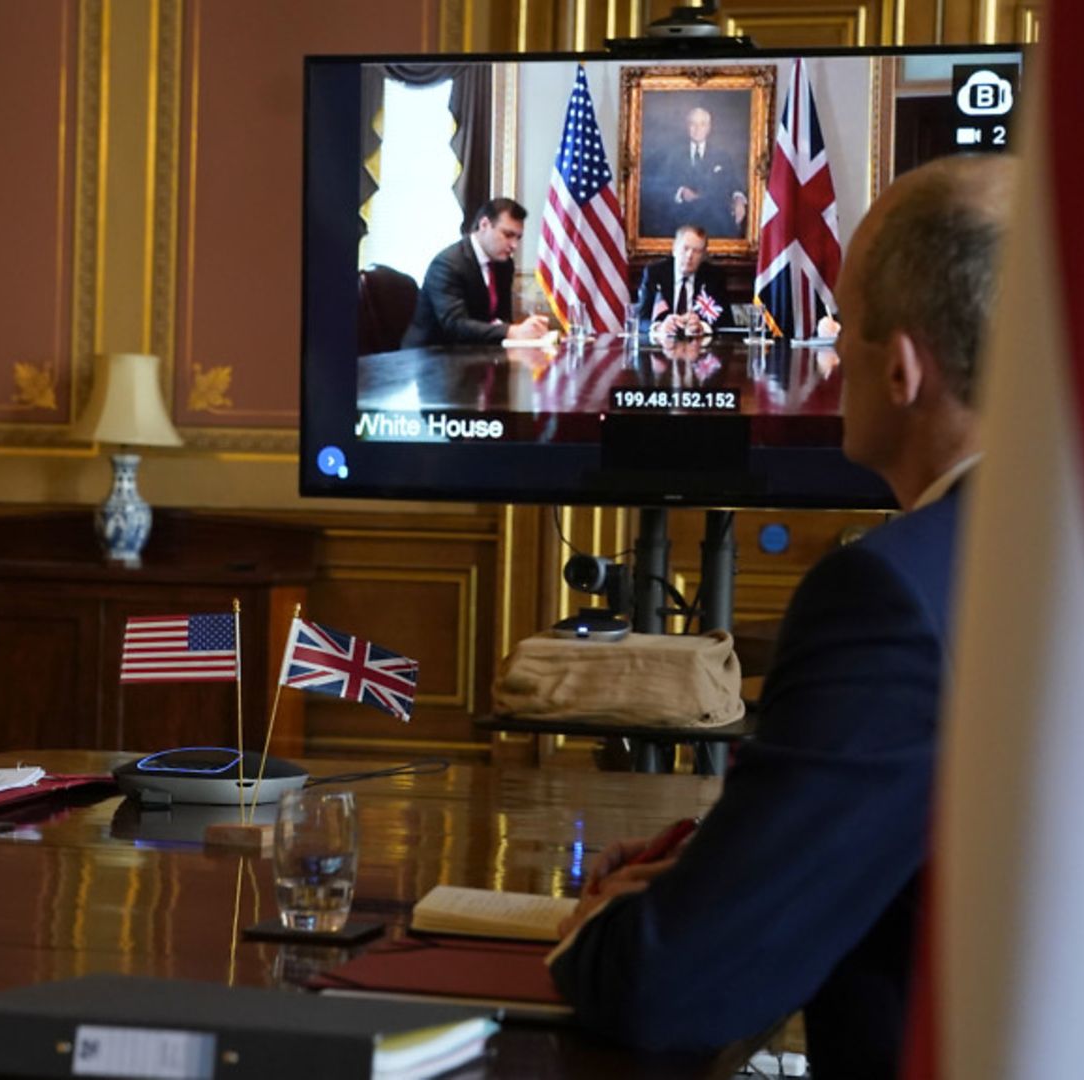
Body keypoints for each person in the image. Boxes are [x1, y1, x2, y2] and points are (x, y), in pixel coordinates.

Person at [549, 153, 1016, 1077]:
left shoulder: (891, 596)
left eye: (847, 327)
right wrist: (726, 866)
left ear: (902, 372)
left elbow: (673, 985)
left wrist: (600, 922)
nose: (832, 351)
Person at [401, 197, 550, 348]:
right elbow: (455, 325)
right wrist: (511, 332)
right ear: (484, 224)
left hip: (476, 353)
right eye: (508, 235)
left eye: (518, 237)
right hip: (431, 356)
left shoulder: (504, 265)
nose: (514, 245)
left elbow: (502, 317)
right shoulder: (448, 264)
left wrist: (525, 333)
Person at [643, 106, 749, 239]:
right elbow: (657, 186)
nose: (698, 129)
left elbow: (733, 184)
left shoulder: (722, 156)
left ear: (709, 128)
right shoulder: (671, 155)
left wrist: (739, 200)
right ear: (687, 126)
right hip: (680, 222)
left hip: (714, 222)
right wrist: (680, 192)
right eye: (693, 124)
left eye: (702, 124)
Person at [634, 224, 735, 340]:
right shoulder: (654, 273)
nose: (689, 256)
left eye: (697, 251)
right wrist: (659, 327)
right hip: (661, 348)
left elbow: (727, 322)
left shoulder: (714, 276)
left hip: (700, 350)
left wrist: (702, 326)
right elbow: (640, 320)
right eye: (685, 248)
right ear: (674, 249)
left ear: (703, 256)